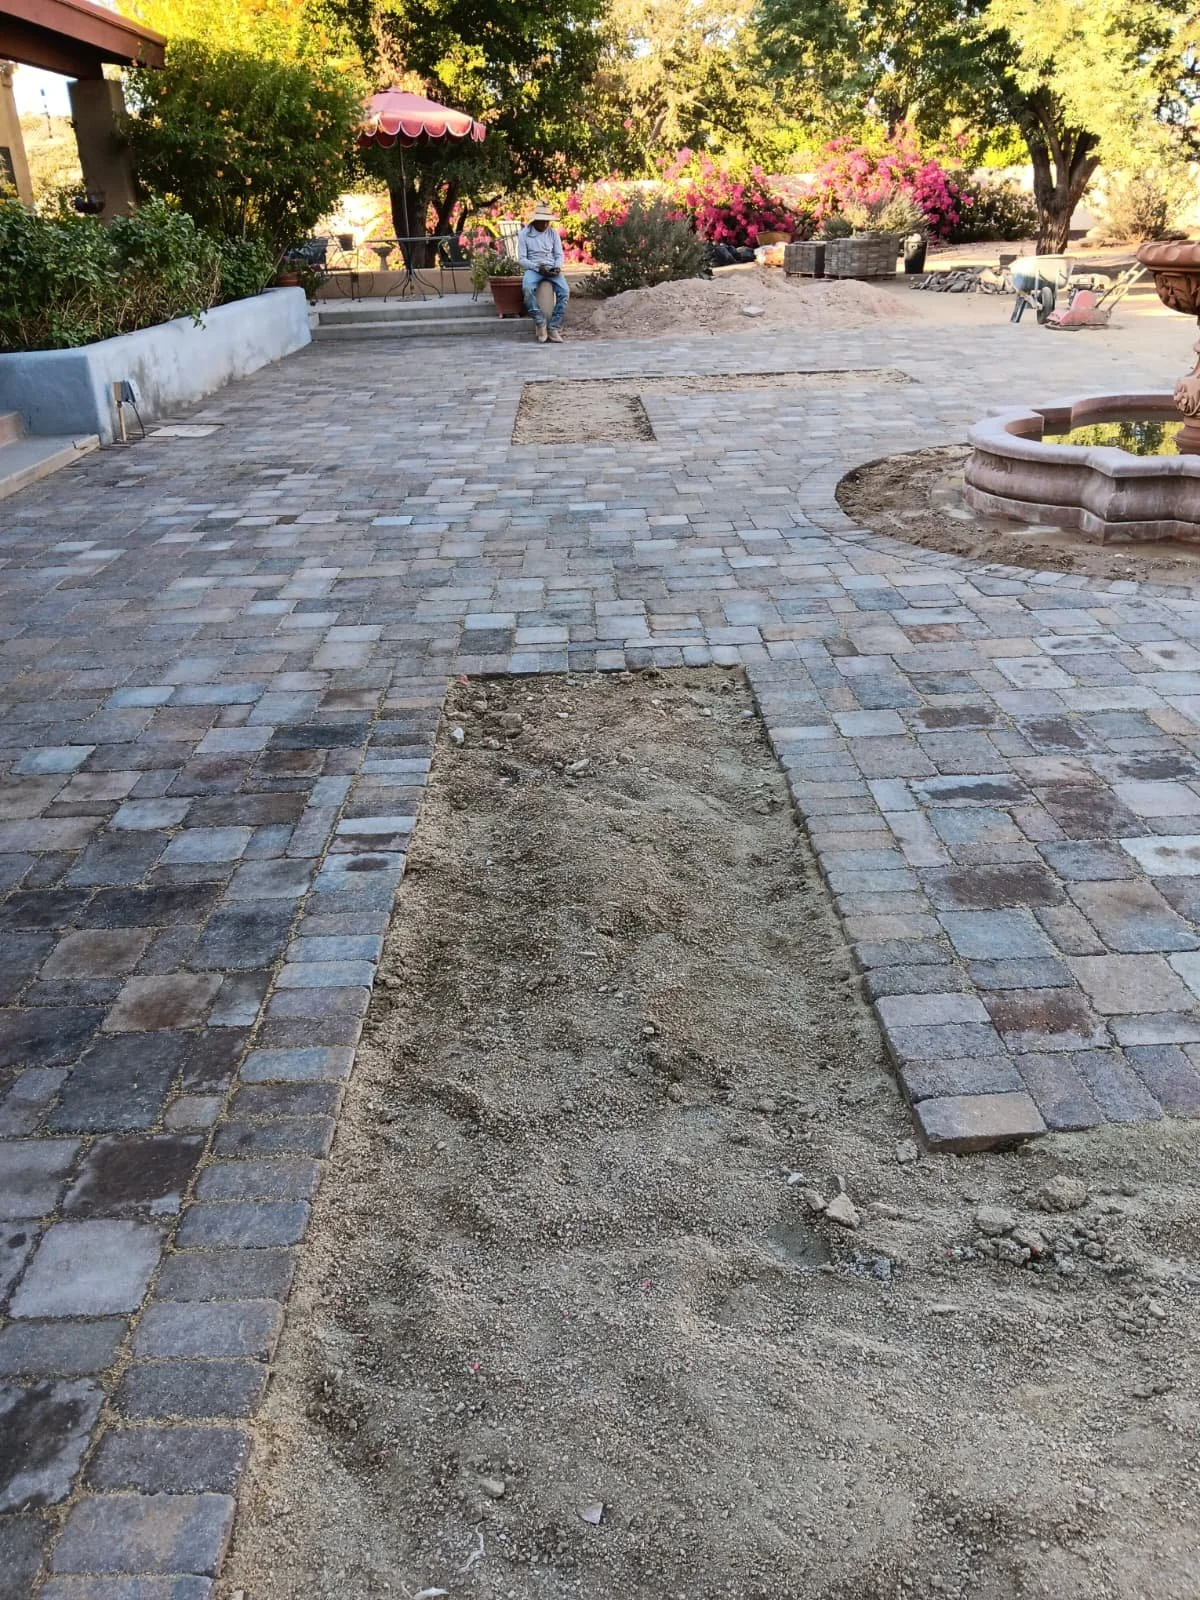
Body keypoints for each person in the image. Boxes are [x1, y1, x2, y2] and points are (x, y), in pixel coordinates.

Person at [517, 201, 569, 344]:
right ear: (535, 220)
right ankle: (540, 322)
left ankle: (553, 327)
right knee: (527, 288)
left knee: (564, 292)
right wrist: (537, 267)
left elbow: (559, 255)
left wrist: (557, 267)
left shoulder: (553, 234)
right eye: (542, 221)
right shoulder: (524, 234)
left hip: (551, 266)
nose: (545, 225)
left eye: (547, 222)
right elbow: (521, 259)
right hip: (534, 267)